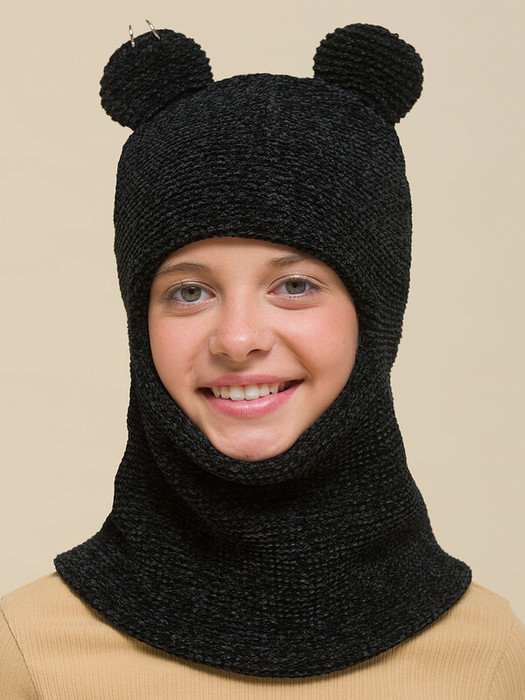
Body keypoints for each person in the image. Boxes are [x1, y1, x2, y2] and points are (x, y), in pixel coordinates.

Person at [1, 22, 524, 699]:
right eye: (189, 292)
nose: (237, 338)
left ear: (376, 310)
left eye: (295, 285)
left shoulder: (489, 655)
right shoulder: (28, 649)